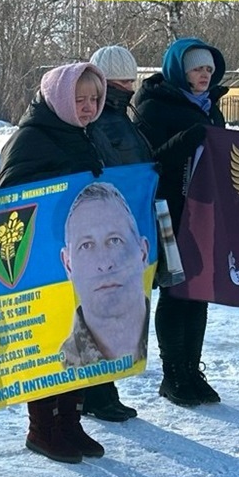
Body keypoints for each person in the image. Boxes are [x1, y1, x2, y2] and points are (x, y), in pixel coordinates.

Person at [0, 62, 110, 464]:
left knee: (80, 339)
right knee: (49, 342)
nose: (87, 107)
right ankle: (42, 427)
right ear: (60, 99)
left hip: (81, 256)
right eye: (79, 100)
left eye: (94, 99)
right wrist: (66, 183)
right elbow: (11, 200)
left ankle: (71, 421)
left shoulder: (86, 134)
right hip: (42, 258)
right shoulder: (30, 138)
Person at [133, 37, 227, 407]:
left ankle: (191, 369)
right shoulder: (154, 107)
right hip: (169, 211)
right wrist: (186, 141)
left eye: (208, 69)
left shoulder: (209, 107)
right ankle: (172, 374)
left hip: (204, 212)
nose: (204, 75)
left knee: (199, 292)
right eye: (196, 69)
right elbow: (150, 162)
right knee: (177, 291)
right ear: (179, 70)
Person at [78, 44, 154, 422]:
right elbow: (118, 168)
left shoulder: (123, 118)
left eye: (130, 80)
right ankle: (96, 392)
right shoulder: (107, 122)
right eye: (119, 82)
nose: (127, 88)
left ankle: (103, 389)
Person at [59, 182, 150, 371]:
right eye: (86, 245)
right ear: (68, 264)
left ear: (143, 252)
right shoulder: (59, 364)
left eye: (115, 241)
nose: (104, 263)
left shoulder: (169, 336)